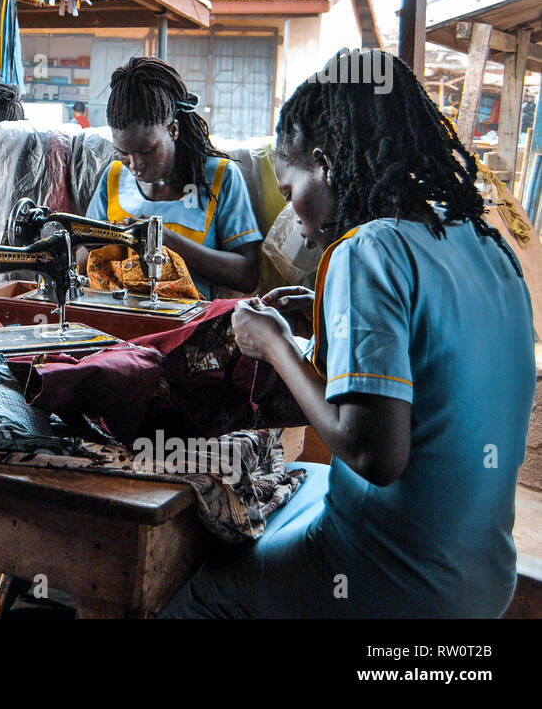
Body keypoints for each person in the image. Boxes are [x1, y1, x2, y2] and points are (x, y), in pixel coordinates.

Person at [163, 49, 534, 619]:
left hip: (392, 586)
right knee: (304, 480)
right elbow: (436, 357)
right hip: (481, 580)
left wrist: (276, 346)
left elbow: (372, 452)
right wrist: (326, 318)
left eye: (290, 195)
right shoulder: (486, 246)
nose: (301, 227)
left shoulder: (367, 250)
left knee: (199, 593)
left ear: (326, 164)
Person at [86, 57, 261, 297]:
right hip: (119, 319)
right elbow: (83, 256)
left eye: (148, 151)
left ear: (173, 130)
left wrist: (165, 239)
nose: (135, 165)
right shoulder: (114, 176)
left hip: (191, 326)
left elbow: (247, 275)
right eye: (123, 153)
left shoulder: (219, 177)